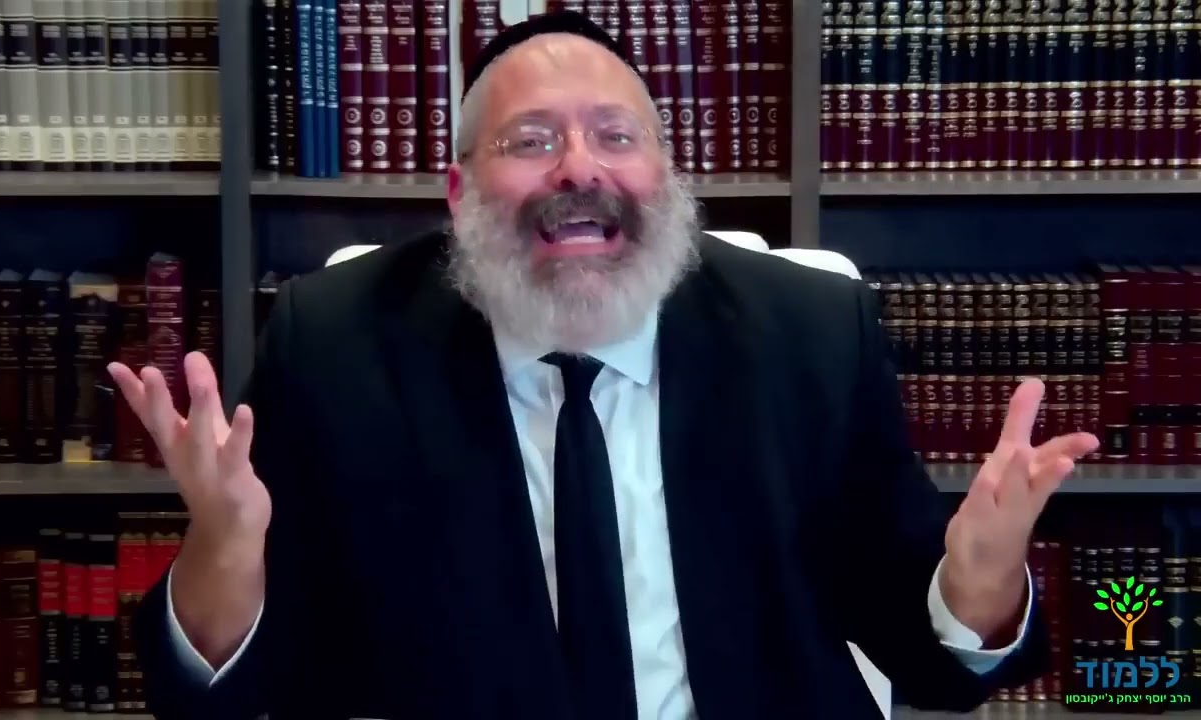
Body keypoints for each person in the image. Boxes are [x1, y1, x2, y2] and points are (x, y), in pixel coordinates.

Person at [110, 12, 1099, 720]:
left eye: (616, 136)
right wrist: (225, 550)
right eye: (531, 140)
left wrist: (977, 586)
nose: (579, 168)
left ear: (663, 179)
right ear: (458, 193)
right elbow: (223, 693)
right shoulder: (336, 345)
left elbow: (929, 661)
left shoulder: (807, 333)